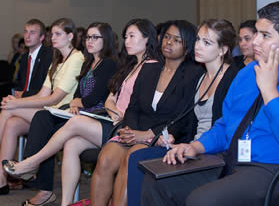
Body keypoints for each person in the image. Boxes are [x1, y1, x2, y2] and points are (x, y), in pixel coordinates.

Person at [140, 1, 279, 206]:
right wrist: (196, 146)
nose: (255, 41)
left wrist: (270, 92)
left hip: (278, 170)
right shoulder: (247, 72)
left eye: (265, 35)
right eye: (256, 33)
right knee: (157, 183)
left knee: (202, 200)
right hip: (232, 160)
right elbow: (226, 123)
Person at [3, 18, 161, 205]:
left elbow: (131, 104)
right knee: (71, 144)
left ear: (147, 38)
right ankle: (66, 203)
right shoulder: (130, 65)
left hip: (120, 125)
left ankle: (31, 163)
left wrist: (111, 110)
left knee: (64, 120)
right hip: (110, 117)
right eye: (125, 36)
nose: (127, 41)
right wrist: (110, 108)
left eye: (132, 36)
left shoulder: (149, 66)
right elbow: (109, 97)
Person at [90, 20, 204, 206]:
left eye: (177, 40)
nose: (169, 42)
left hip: (164, 136)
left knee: (132, 156)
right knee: (105, 158)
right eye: (167, 37)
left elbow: (183, 117)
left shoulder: (193, 74)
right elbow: (133, 106)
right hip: (135, 130)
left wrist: (146, 135)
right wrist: (129, 130)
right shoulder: (150, 68)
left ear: (188, 46)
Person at [127, 19, 240, 206]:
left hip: (215, 152)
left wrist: (189, 144)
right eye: (198, 40)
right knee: (142, 164)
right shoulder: (200, 76)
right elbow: (187, 119)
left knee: (152, 174)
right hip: (193, 145)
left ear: (223, 50)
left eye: (207, 42)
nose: (198, 46)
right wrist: (170, 136)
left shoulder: (233, 78)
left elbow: (228, 128)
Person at [0, 18, 84, 196]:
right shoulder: (57, 60)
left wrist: (16, 103)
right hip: (48, 112)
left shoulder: (77, 58)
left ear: (70, 36)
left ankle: (8, 174)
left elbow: (55, 98)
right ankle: (1, 179)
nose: (53, 37)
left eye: (58, 34)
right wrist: (16, 102)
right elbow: (42, 95)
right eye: (52, 33)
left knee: (8, 109)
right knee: (11, 124)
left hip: (63, 113)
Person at [14, 19, 53, 98]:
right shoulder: (25, 57)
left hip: (39, 100)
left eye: (32, 32)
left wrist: (23, 95)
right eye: (25, 32)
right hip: (23, 98)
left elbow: (46, 90)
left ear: (41, 37)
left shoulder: (48, 56)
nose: (27, 36)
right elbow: (20, 84)